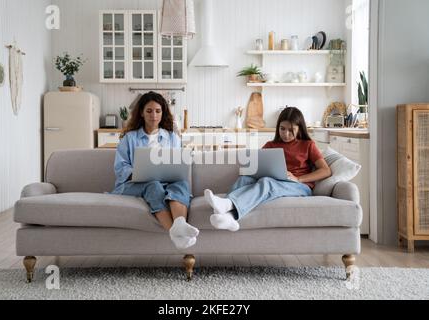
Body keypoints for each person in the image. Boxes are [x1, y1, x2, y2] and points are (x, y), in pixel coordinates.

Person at [204, 107, 332, 231]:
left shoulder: (308, 145)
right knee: (244, 179)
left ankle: (228, 205)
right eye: (282, 129)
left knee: (267, 182)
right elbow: (256, 166)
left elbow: (325, 170)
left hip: (299, 186)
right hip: (276, 181)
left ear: (299, 129)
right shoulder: (271, 145)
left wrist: (298, 178)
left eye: (291, 130)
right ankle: (228, 217)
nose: (286, 134)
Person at [111, 91, 198, 250]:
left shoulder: (172, 138)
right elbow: (120, 167)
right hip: (133, 184)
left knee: (181, 184)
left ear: (163, 113)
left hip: (167, 181)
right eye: (149, 111)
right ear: (142, 113)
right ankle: (174, 233)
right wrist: (139, 172)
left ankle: (179, 225)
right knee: (153, 184)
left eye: (158, 111)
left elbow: (179, 163)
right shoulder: (129, 138)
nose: (154, 115)